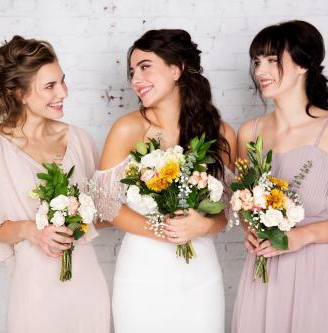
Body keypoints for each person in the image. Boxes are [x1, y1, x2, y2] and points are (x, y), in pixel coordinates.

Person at [0, 35, 110, 333]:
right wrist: (32, 230)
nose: (63, 92)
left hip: (86, 282)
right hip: (34, 286)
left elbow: (102, 214)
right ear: (19, 93)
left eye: (62, 81)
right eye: (50, 86)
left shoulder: (79, 139)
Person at [231, 20, 328, 333]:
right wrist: (250, 229)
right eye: (257, 61)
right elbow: (244, 201)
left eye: (272, 60)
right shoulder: (250, 132)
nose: (260, 71)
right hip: (264, 266)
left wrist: (302, 236)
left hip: (317, 269)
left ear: (302, 64)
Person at [92, 29, 236, 333]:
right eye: (132, 72)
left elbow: (226, 211)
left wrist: (204, 225)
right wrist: (163, 231)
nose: (135, 80)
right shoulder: (127, 128)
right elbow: (104, 204)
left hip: (200, 273)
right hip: (142, 270)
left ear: (176, 69)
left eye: (145, 67)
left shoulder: (220, 132)